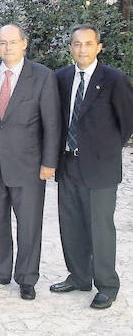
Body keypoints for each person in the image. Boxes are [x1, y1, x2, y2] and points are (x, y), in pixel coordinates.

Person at [0, 24, 60, 301]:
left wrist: (49, 162)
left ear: (24, 43)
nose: (6, 47)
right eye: (1, 43)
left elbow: (52, 123)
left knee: (29, 223)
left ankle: (27, 278)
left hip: (29, 164)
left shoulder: (43, 76)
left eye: (12, 42)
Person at [50, 24, 133, 309]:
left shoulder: (114, 79)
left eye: (88, 44)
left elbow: (126, 124)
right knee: (71, 224)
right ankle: (79, 276)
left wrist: (103, 150)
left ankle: (107, 285)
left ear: (98, 47)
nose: (82, 49)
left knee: (100, 228)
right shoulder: (60, 77)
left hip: (100, 168)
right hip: (68, 163)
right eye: (76, 44)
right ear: (70, 47)